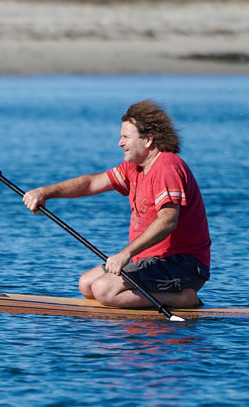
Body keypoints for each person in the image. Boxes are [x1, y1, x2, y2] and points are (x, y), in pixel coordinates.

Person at [22, 100, 211, 308]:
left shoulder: (167, 167)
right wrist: (44, 193)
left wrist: (125, 254)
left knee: (104, 290)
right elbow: (92, 183)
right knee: (87, 284)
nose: (120, 143)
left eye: (125, 137)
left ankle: (183, 299)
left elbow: (167, 221)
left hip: (183, 265)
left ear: (148, 139)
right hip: (149, 260)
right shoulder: (134, 168)